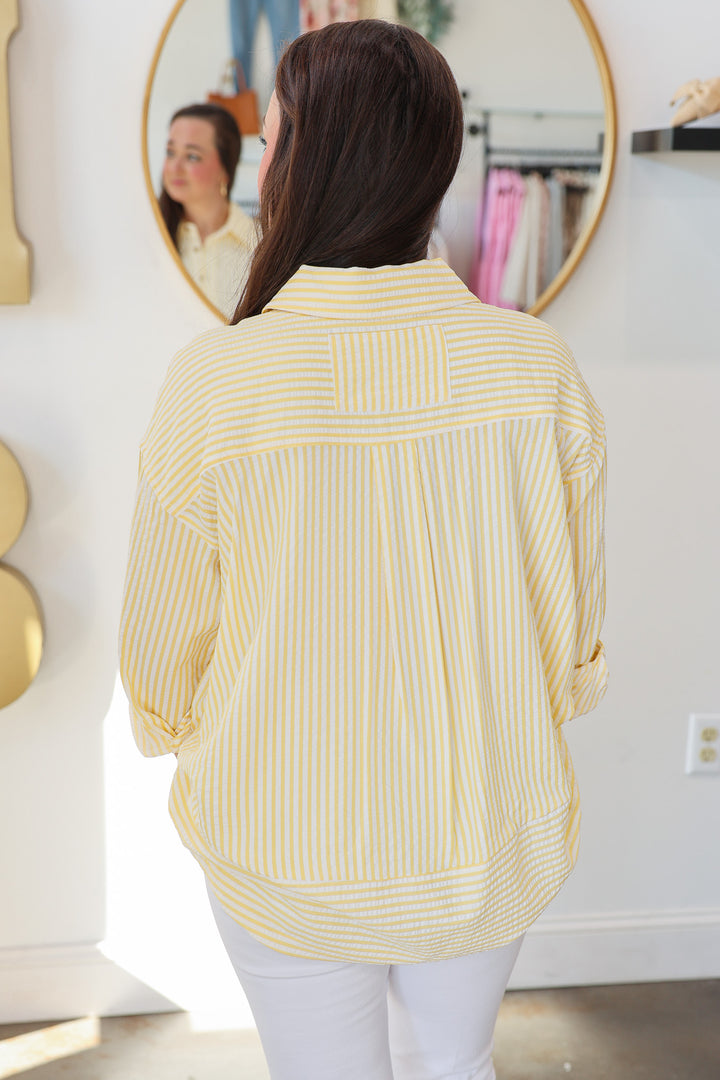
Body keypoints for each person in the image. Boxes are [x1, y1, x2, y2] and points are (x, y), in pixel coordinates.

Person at [120, 19, 607, 1080]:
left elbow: (157, 672)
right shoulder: (536, 369)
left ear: (296, 161)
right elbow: (570, 649)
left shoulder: (218, 379)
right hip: (485, 825)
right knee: (457, 1064)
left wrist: (224, 733)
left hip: (282, 838)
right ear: (438, 160)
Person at [159, 103, 257, 319]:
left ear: (225, 168)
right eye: (170, 152)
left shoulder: (258, 247)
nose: (175, 167)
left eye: (192, 156)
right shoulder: (152, 237)